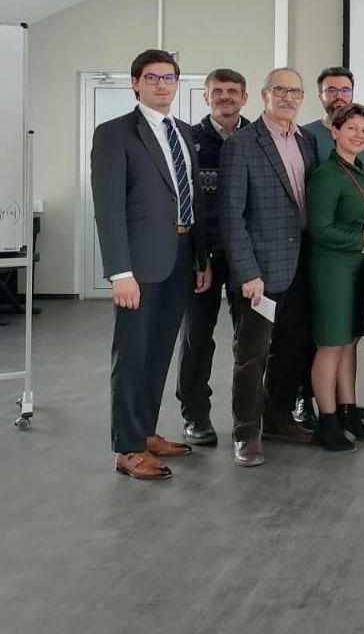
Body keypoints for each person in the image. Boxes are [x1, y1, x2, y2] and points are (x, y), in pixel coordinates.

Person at [91, 49, 211, 480]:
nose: (162, 85)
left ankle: (145, 432)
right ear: (136, 84)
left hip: (181, 255)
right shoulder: (115, 133)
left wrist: (200, 258)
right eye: (152, 78)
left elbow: (192, 197)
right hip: (140, 265)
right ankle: (127, 447)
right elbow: (108, 208)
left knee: (159, 352)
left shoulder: (183, 132)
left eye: (169, 78)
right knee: (133, 354)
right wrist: (120, 272)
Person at [219, 67, 319, 467]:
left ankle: (278, 420)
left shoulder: (306, 141)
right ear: (264, 94)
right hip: (260, 273)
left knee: (291, 351)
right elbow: (231, 215)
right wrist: (247, 272)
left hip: (299, 269)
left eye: (295, 91)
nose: (288, 97)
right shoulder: (242, 144)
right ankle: (245, 433)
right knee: (252, 356)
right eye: (280, 89)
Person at [305, 104, 364, 452]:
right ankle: (327, 422)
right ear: (335, 132)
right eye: (352, 128)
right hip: (333, 269)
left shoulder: (362, 171)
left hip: (358, 268)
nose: (359, 135)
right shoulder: (327, 175)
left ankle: (348, 412)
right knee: (331, 344)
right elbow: (320, 229)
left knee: (349, 343)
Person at [176, 68, 250, 447]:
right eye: (217, 91)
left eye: (232, 91)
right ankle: (195, 415)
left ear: (244, 98)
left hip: (247, 258)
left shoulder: (257, 139)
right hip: (201, 258)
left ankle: (248, 420)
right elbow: (182, 204)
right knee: (197, 338)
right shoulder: (188, 140)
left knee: (249, 341)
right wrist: (198, 256)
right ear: (206, 97)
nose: (225, 97)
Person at [301, 66, 364, 171]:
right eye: (331, 91)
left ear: (352, 96)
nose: (339, 96)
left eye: (345, 91)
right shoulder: (304, 134)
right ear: (321, 97)